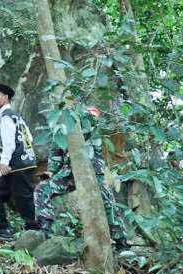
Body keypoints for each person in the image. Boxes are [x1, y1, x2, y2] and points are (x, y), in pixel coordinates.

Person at [34, 106, 128, 248]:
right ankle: (44, 226)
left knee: (107, 203)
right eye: (89, 116)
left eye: (93, 116)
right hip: (69, 173)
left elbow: (92, 146)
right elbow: (56, 152)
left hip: (94, 174)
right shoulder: (62, 130)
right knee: (42, 188)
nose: (91, 118)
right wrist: (51, 172)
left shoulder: (92, 130)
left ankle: (121, 240)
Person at [0, 83, 39, 239]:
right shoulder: (15, 115)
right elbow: (29, 137)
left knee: (22, 197)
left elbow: (8, 143)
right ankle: (2, 229)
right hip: (23, 164)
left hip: (16, 166)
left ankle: (35, 230)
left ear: (5, 97)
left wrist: (4, 162)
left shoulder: (6, 117)